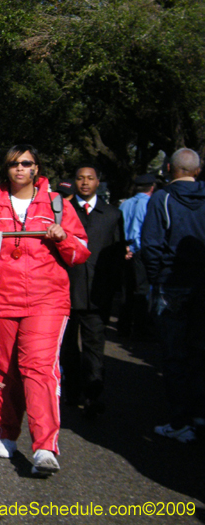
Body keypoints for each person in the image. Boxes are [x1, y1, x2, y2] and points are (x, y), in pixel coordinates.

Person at [0, 144, 89, 475]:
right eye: (13, 164)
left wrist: (62, 238)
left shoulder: (58, 205)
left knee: (39, 368)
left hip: (47, 301)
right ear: (5, 170)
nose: (20, 168)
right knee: (5, 371)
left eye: (27, 163)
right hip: (2, 300)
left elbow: (80, 254)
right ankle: (6, 434)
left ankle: (45, 447)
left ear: (36, 168)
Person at [141, 148, 205, 443]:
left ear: (168, 168)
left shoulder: (161, 198)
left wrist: (157, 278)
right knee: (198, 351)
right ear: (198, 170)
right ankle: (198, 413)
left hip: (171, 284)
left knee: (174, 354)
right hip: (201, 285)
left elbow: (151, 244)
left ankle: (180, 421)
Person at [61, 165, 126, 418]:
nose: (85, 183)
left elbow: (117, 254)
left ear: (99, 182)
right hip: (67, 289)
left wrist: (115, 290)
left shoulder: (111, 214)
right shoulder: (63, 211)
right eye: (80, 178)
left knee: (94, 346)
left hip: (97, 293)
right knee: (68, 347)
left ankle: (93, 394)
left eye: (90, 178)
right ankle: (73, 390)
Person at [118, 173, 156, 338]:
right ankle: (140, 328)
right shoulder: (149, 204)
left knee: (126, 290)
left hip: (125, 250)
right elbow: (141, 231)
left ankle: (124, 325)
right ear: (152, 187)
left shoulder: (125, 204)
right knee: (142, 290)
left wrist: (125, 247)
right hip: (139, 250)